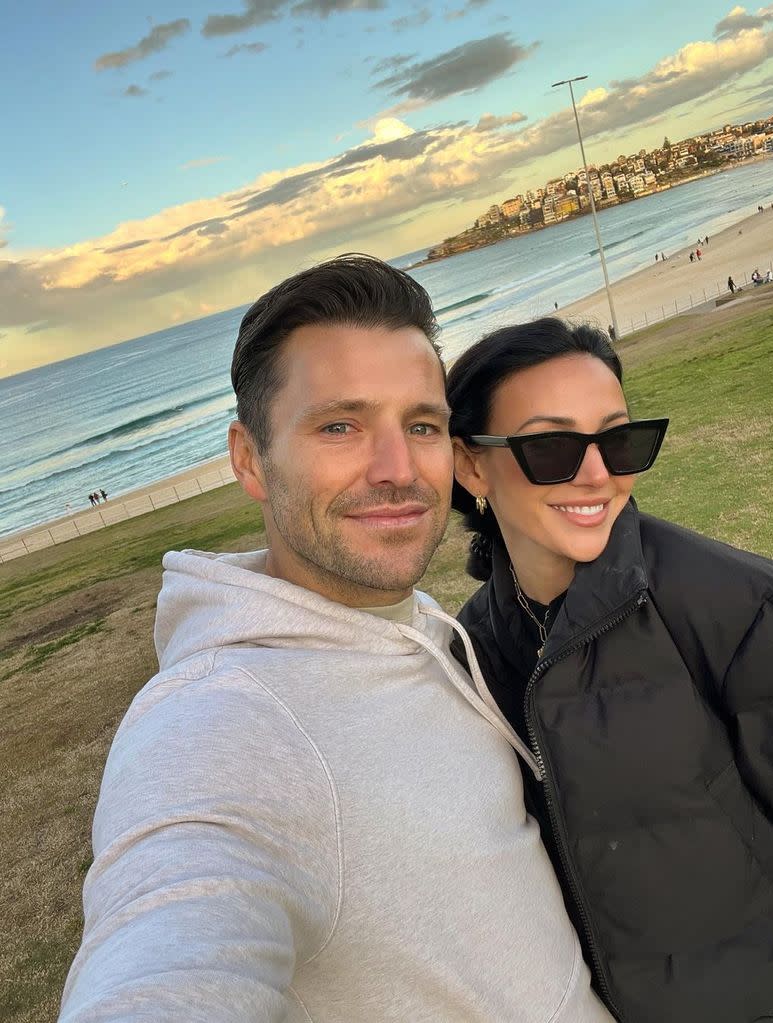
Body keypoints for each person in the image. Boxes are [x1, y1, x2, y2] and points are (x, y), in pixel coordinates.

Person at [59, 257, 610, 1023]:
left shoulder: (423, 631)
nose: (397, 471)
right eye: (339, 425)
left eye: (420, 425)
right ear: (250, 458)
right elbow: (168, 944)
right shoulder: (220, 722)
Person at [446, 316, 773, 1023]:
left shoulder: (741, 608)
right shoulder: (469, 650)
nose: (596, 474)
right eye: (551, 445)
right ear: (470, 465)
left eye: (617, 440)